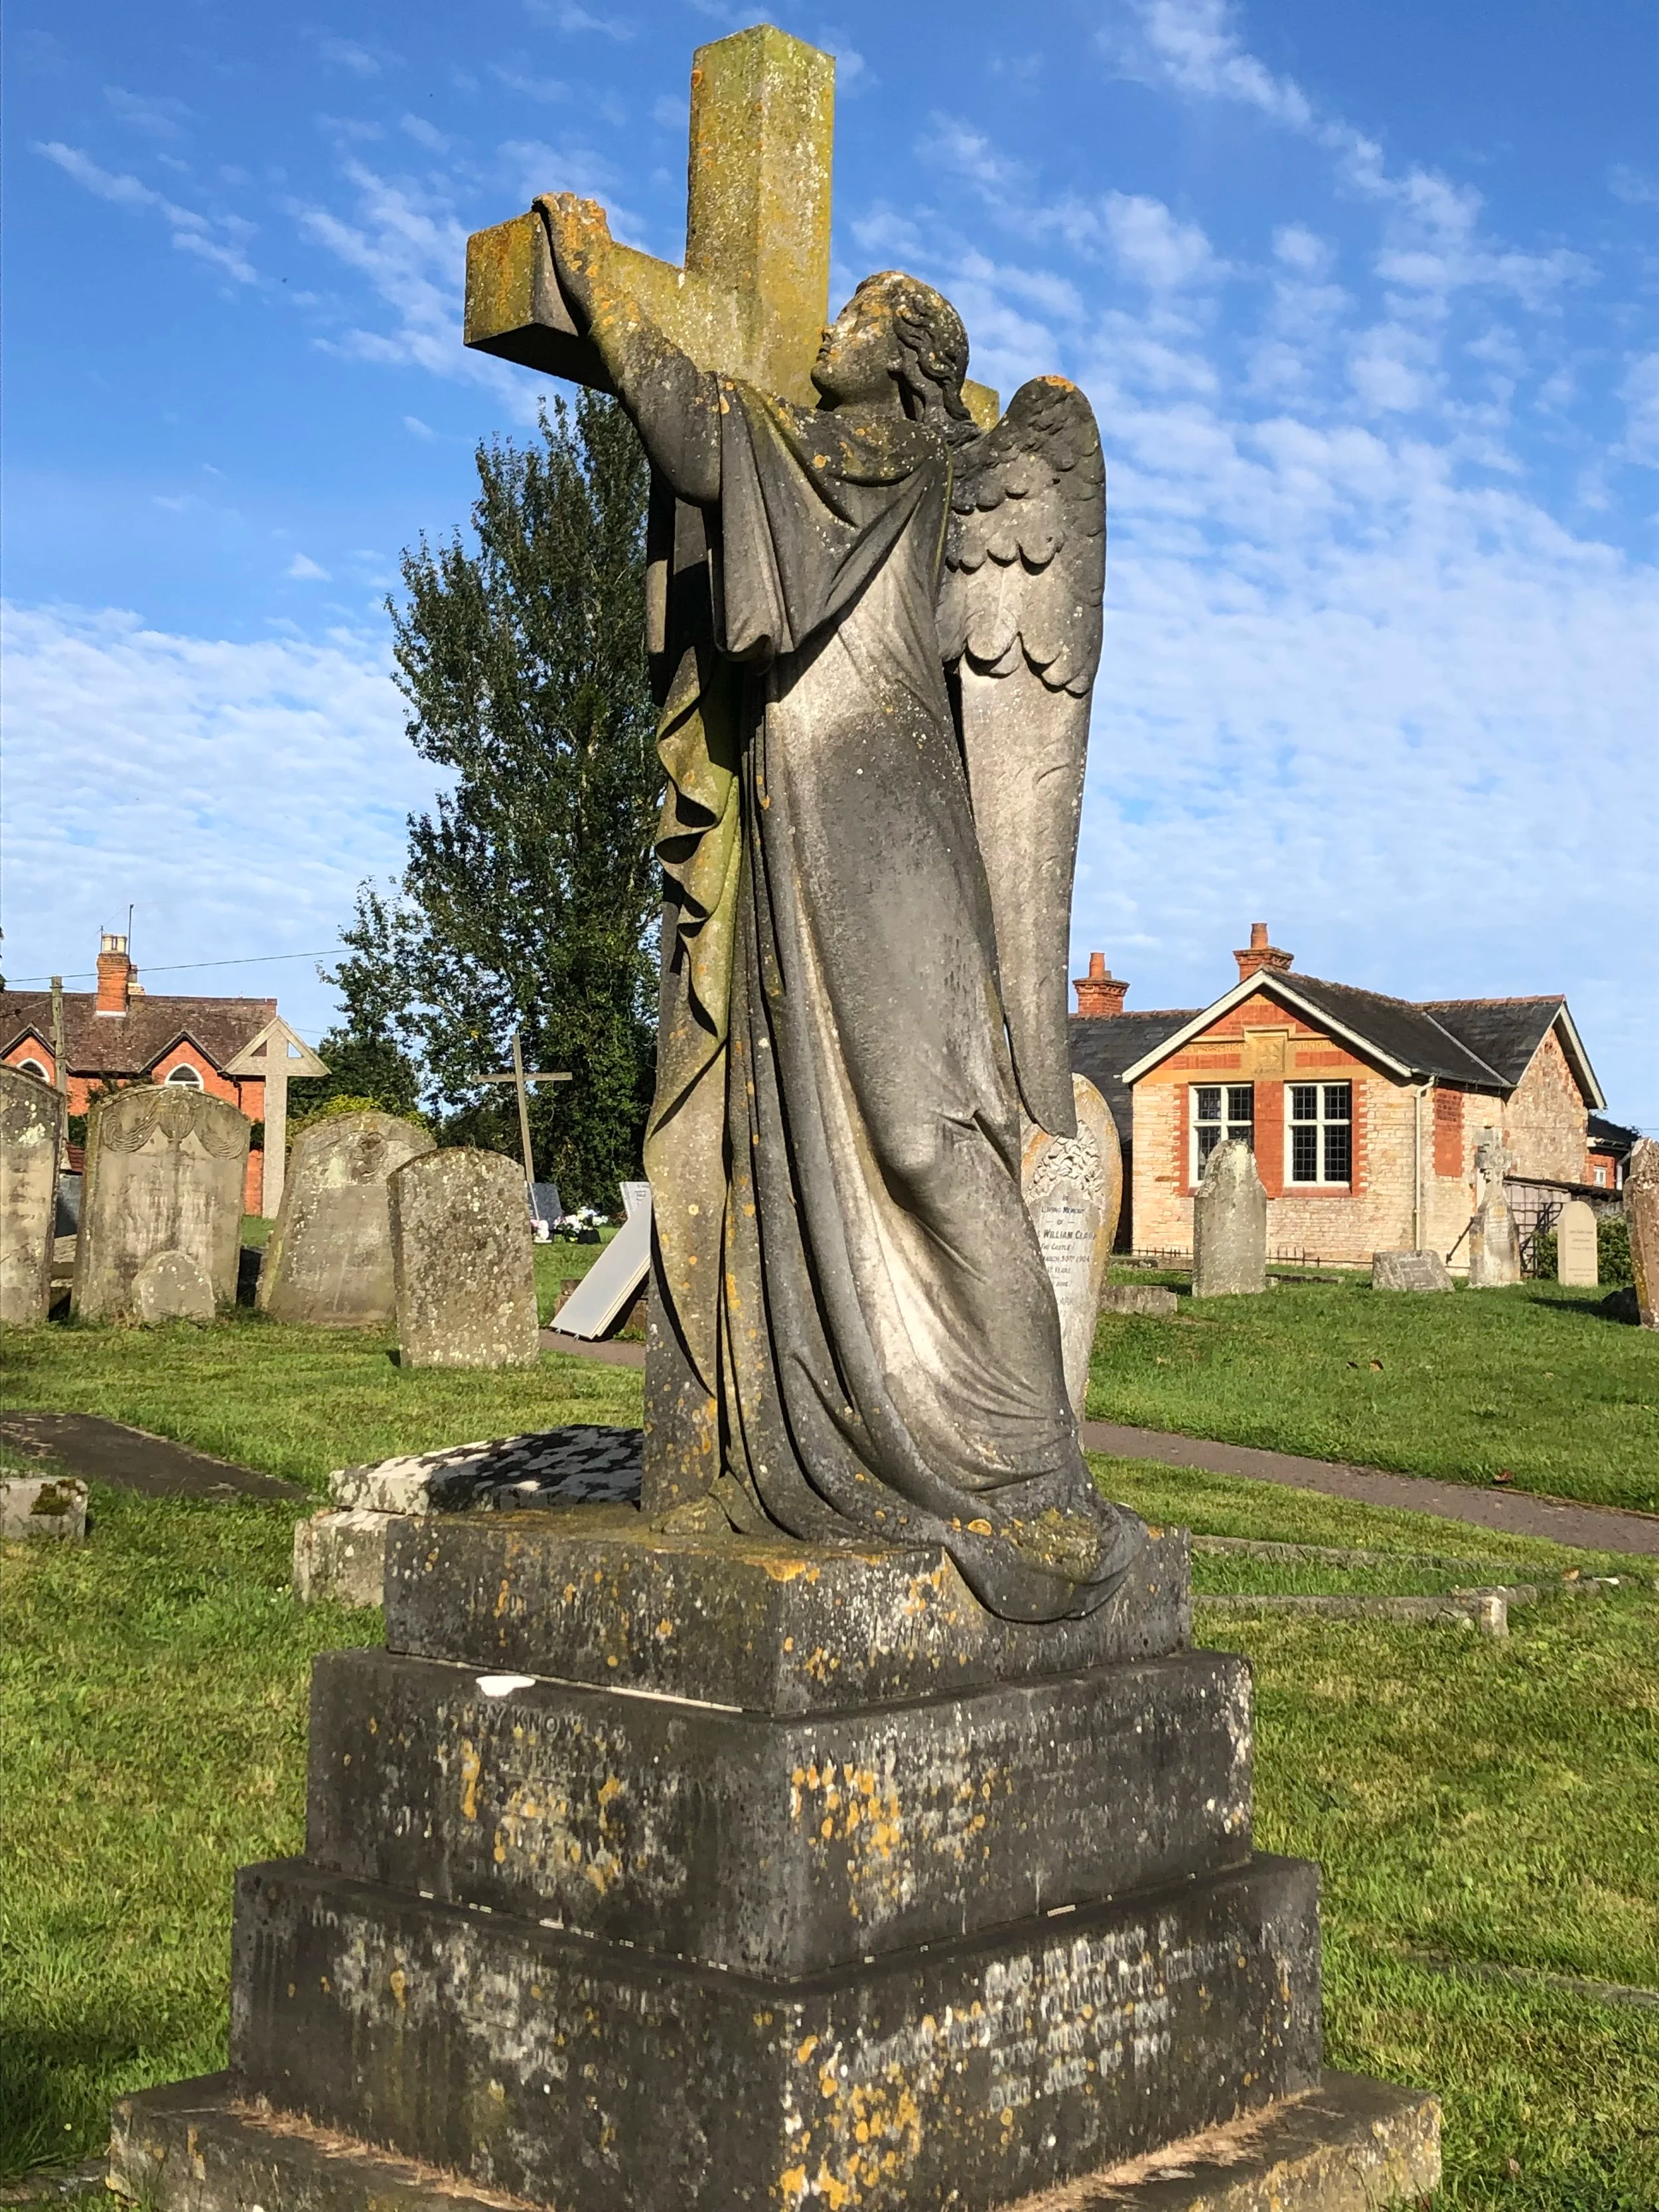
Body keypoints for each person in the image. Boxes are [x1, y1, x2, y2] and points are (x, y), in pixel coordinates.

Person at [541, 194, 1143, 1622]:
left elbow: (697, 435)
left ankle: (1023, 1458)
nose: (831, 326)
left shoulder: (888, 466)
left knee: (931, 1136)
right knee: (828, 1138)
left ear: (912, 361)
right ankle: (857, 1421)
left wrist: (596, 283)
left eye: (863, 313)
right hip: (802, 833)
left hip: (883, 825)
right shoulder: (842, 455)